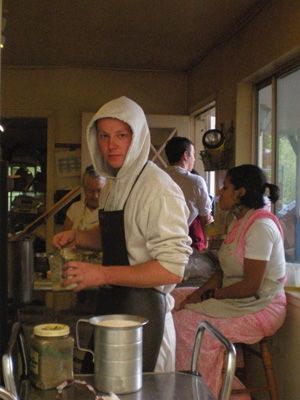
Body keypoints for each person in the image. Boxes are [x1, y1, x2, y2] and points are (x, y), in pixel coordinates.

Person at [52, 96, 192, 373]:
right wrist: (80, 236)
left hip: (146, 314)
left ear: (138, 136)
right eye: (104, 135)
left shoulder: (158, 189)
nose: (111, 144)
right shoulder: (115, 184)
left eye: (121, 135)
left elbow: (171, 269)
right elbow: (117, 236)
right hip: (114, 305)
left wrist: (101, 274)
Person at [172, 164, 287, 398]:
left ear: (240, 193)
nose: (220, 192)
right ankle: (223, 383)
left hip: (261, 306)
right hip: (237, 298)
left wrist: (211, 297)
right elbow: (223, 272)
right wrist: (197, 295)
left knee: (183, 323)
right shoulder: (238, 221)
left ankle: (200, 393)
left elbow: (251, 285)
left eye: (225, 187)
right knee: (172, 299)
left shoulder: (261, 226)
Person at [165, 137, 213, 251]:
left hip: (158, 240)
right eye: (193, 154)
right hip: (184, 243)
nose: (195, 159)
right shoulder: (195, 181)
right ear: (185, 155)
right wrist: (215, 240)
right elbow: (206, 219)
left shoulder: (158, 177)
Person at [63, 165, 106, 231]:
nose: (95, 196)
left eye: (99, 191)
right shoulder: (75, 208)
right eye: (90, 191)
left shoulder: (110, 210)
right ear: (84, 189)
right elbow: (65, 235)